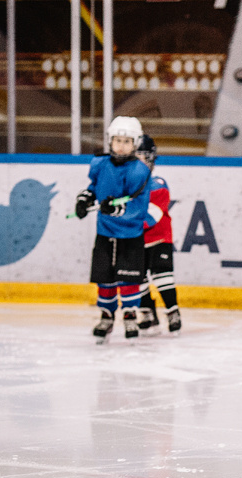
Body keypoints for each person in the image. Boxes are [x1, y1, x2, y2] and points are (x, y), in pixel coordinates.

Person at [75, 116, 156, 342]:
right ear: (110, 141)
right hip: (105, 233)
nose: (121, 145)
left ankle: (130, 315)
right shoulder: (99, 164)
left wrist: (116, 211)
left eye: (127, 141)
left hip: (130, 235)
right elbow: (93, 188)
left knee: (129, 279)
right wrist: (84, 200)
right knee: (106, 278)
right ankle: (107, 316)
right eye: (117, 140)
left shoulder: (140, 171)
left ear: (136, 143)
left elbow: (138, 207)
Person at [134, 134, 182, 335]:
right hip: (136, 240)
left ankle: (173, 312)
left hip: (159, 238)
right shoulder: (127, 185)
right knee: (137, 278)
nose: (139, 161)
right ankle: (147, 312)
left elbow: (153, 215)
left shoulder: (158, 183)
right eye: (135, 156)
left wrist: (126, 221)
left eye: (143, 156)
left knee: (163, 276)